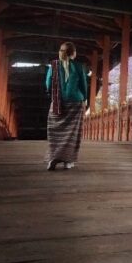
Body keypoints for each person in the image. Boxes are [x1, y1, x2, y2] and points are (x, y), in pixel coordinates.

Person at [45, 41, 89, 170]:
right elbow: (84, 86)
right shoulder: (79, 66)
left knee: (55, 131)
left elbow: (48, 85)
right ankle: (68, 161)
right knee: (72, 133)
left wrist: (55, 95)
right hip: (75, 103)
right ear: (73, 53)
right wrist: (85, 98)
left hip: (58, 102)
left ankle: (53, 158)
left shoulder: (53, 66)